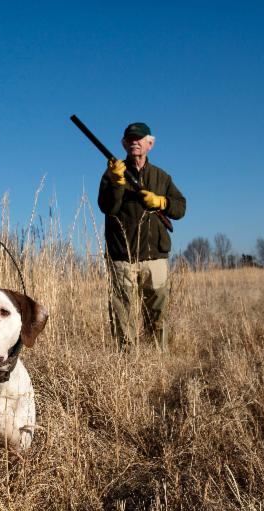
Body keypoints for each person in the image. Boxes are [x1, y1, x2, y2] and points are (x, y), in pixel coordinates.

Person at [97, 122, 186, 351]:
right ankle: (127, 361)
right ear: (124, 144)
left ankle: (158, 358)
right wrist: (117, 182)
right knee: (122, 313)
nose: (134, 141)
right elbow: (108, 207)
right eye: (130, 138)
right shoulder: (112, 174)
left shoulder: (161, 177)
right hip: (121, 256)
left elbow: (180, 208)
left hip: (154, 256)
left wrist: (161, 202)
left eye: (140, 138)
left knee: (157, 312)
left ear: (150, 143)